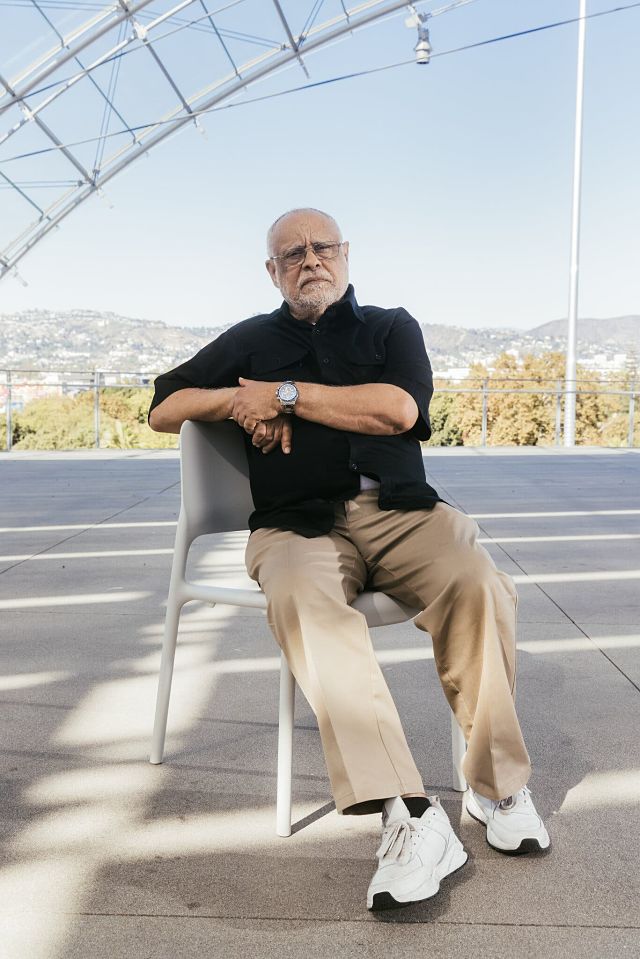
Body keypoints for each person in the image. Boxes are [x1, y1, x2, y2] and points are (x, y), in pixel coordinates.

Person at [149, 207, 550, 912]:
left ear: (344, 254)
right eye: (292, 253)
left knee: (477, 581)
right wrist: (237, 400)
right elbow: (161, 405)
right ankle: (409, 813)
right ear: (273, 272)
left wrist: (287, 396)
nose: (310, 259)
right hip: (297, 528)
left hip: (398, 509)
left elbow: (397, 410)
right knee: (303, 601)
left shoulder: (391, 327)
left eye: (322, 246)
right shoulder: (251, 339)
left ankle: (496, 786)